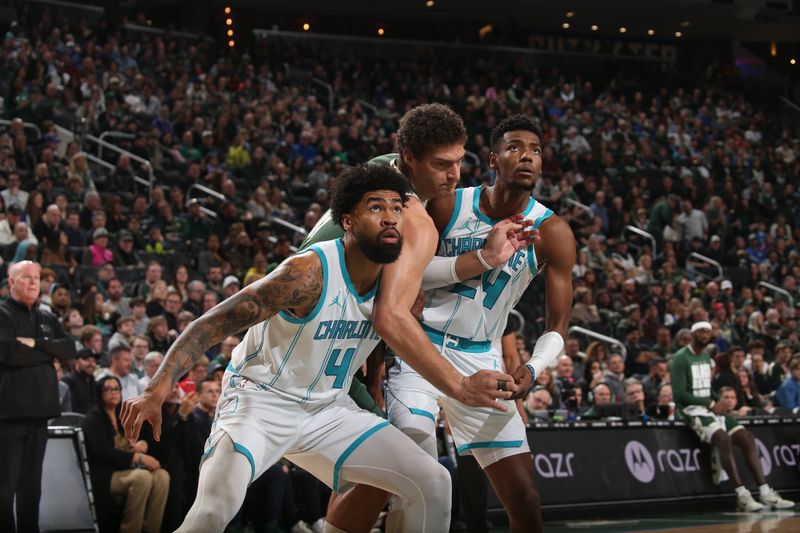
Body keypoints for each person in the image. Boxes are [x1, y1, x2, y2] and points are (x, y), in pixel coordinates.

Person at [121, 165, 501, 533]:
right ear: (348, 220)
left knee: (432, 481)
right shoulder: (306, 273)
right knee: (212, 512)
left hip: (328, 409)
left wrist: (489, 256)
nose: (390, 218)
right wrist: (156, 390)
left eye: (396, 208)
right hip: (261, 402)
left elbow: (442, 275)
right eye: (375, 207)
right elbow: (208, 326)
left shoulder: (398, 281)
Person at [331, 114, 575, 533]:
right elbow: (402, 273)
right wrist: (482, 258)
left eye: (535, 150)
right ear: (494, 159)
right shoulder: (447, 205)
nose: (527, 157)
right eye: (515, 147)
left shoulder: (553, 231)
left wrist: (533, 369)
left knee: (524, 498)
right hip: (420, 346)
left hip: (481, 356)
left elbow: (559, 323)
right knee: (406, 466)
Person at [670, 321, 793, 511]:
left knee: (746, 437)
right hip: (690, 410)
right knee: (723, 438)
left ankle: (765, 492)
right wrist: (710, 403)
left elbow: (705, 388)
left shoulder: (704, 356)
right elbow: (679, 395)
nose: (705, 335)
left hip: (707, 405)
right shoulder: (680, 358)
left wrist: (718, 401)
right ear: (693, 334)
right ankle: (742, 495)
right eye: (701, 331)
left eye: (708, 332)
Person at [0, 260, 78, 532]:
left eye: (36, 277)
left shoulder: (47, 317)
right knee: (4, 487)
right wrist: (48, 355)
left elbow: (69, 349)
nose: (34, 282)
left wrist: (35, 345)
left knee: (31, 487)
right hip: (9, 413)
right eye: (26, 277)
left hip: (41, 411)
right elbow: (9, 353)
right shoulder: (2, 314)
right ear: (11, 282)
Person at [82, 375, 170, 533]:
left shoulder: (122, 415)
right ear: (99, 393)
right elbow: (103, 453)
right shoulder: (92, 420)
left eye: (116, 389)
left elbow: (137, 438)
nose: (113, 392)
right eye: (108, 389)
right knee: (142, 478)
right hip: (105, 474)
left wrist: (142, 444)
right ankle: (130, 529)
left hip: (127, 468)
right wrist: (137, 457)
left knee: (162, 476)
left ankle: (152, 529)